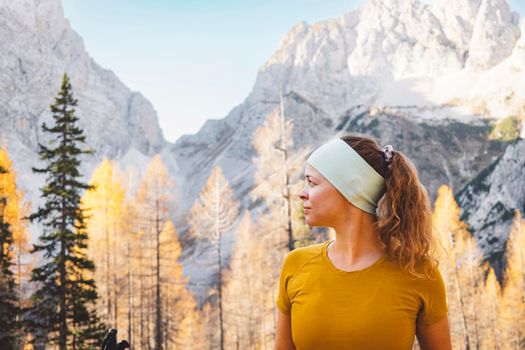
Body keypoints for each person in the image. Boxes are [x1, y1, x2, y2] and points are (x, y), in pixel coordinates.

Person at [274, 134, 452, 350]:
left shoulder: (418, 272)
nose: (302, 193)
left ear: (351, 188)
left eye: (312, 182)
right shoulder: (296, 265)